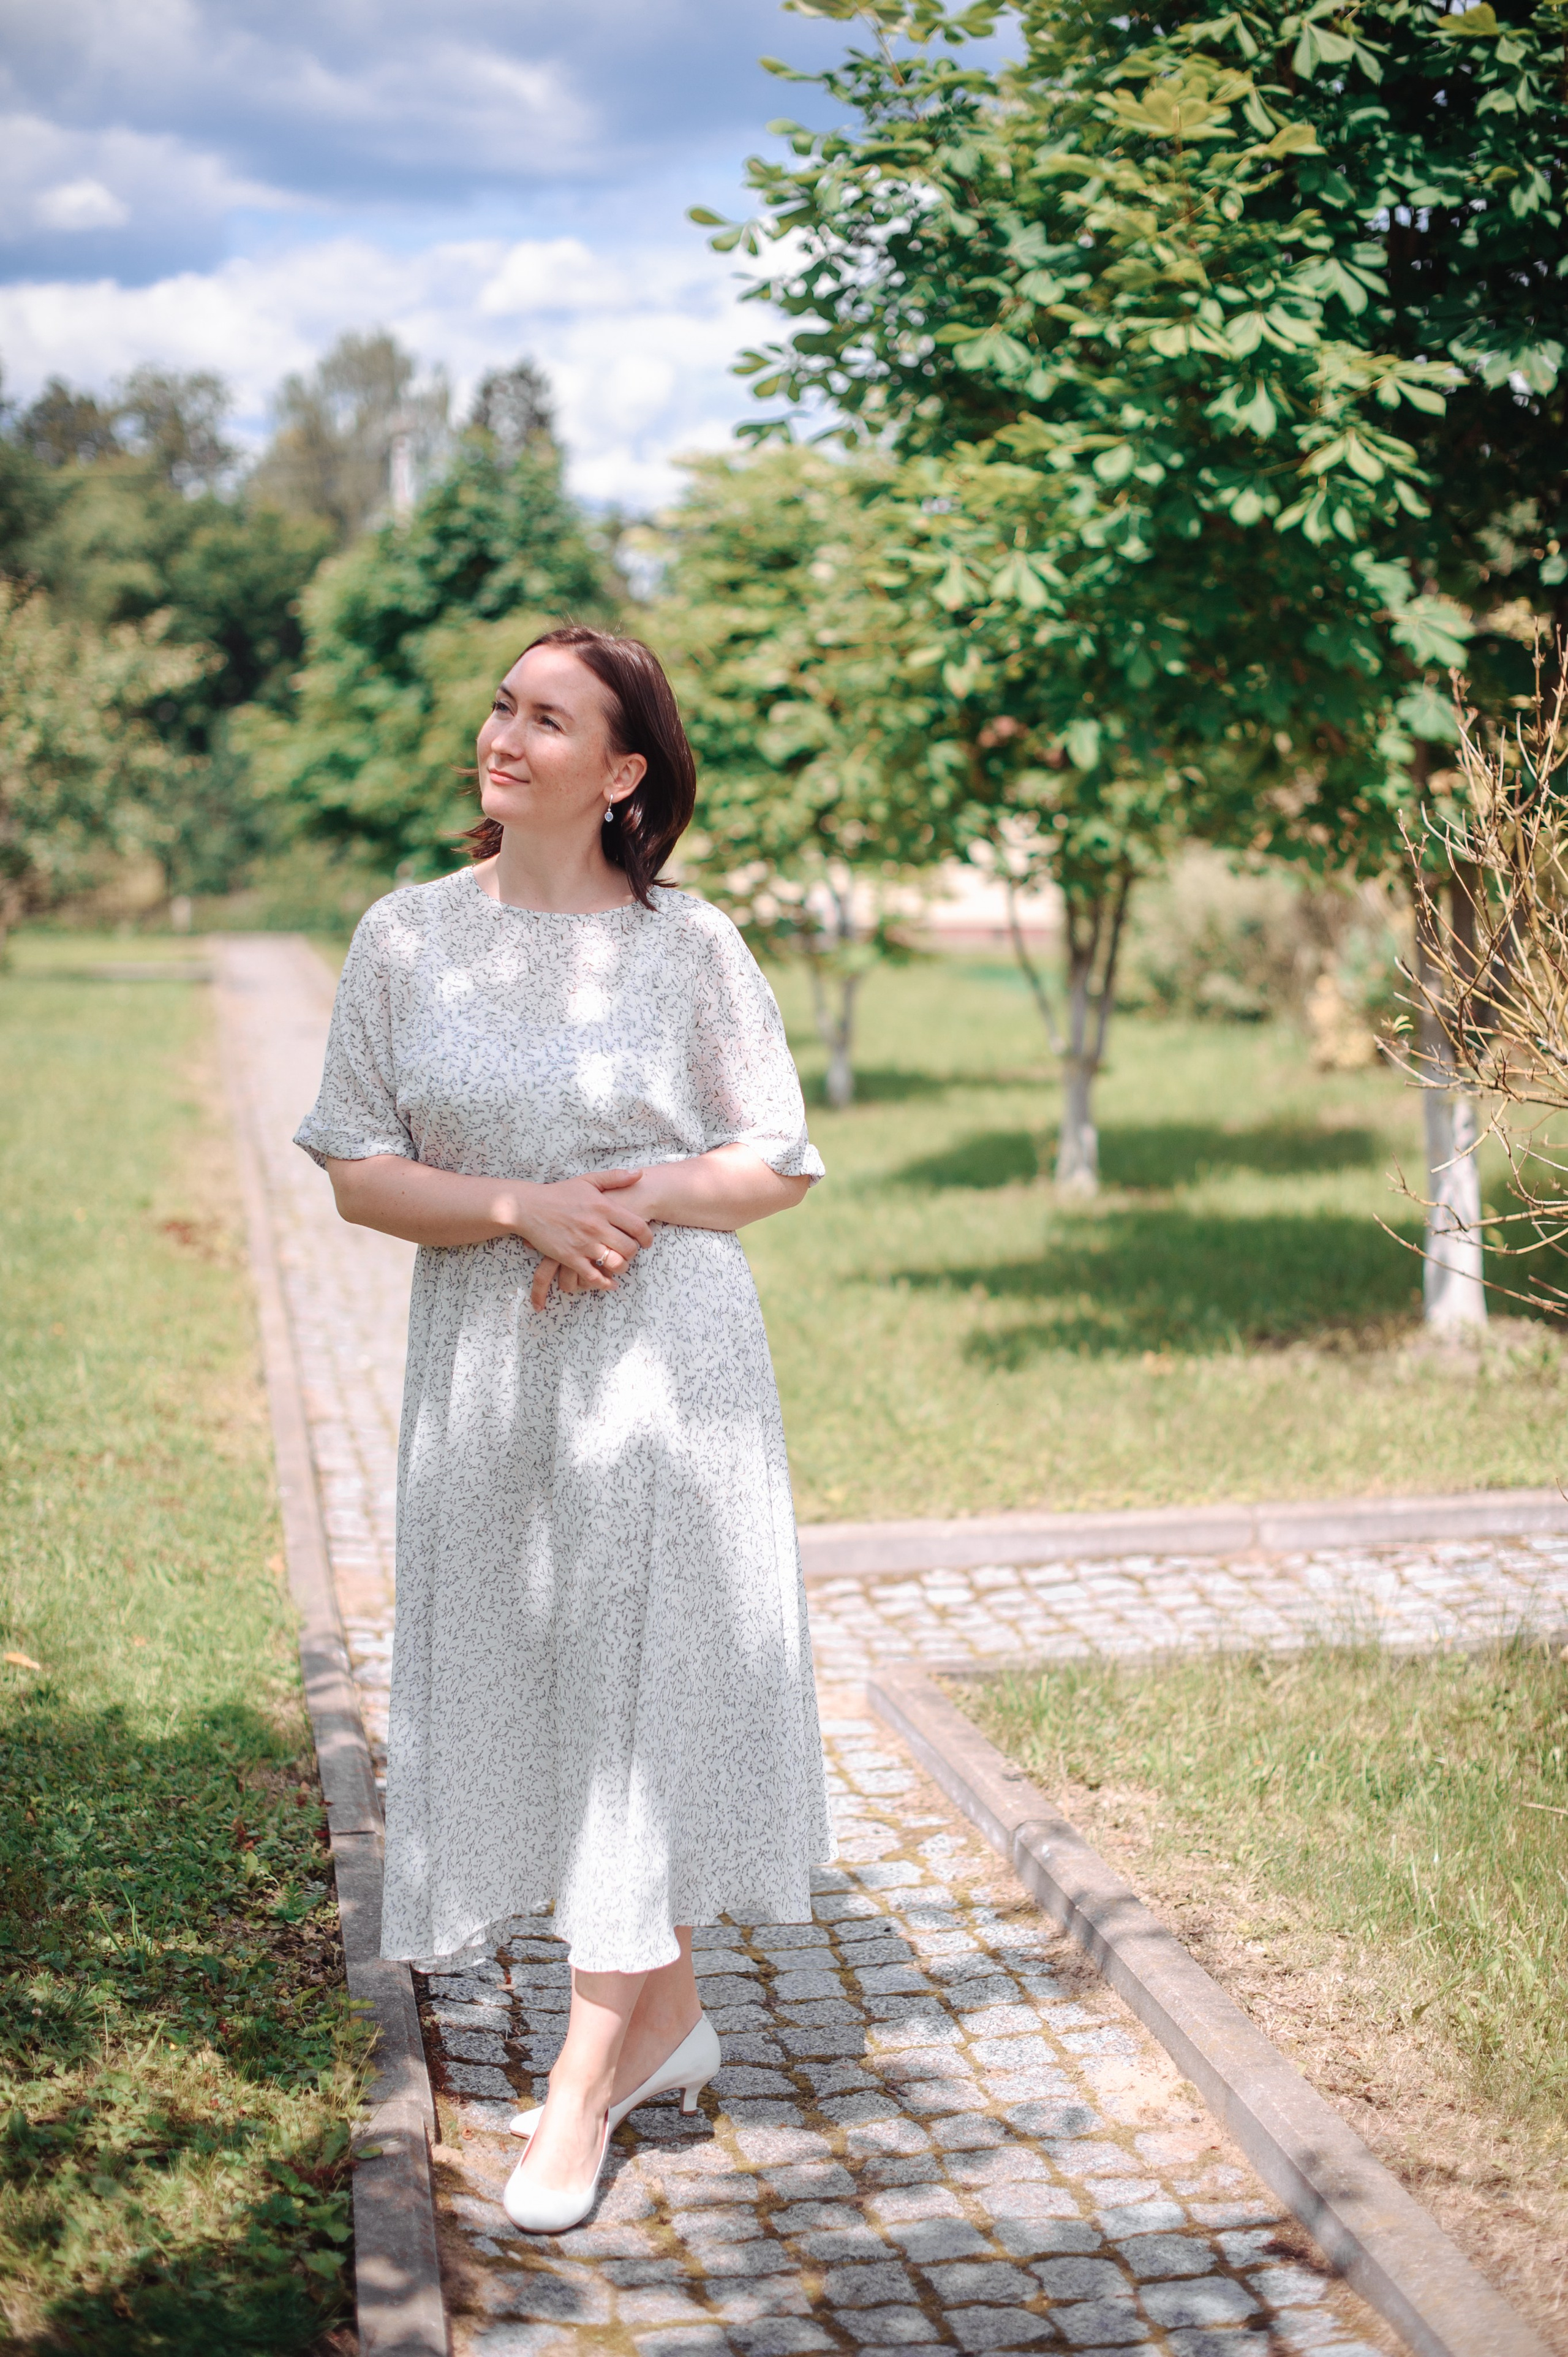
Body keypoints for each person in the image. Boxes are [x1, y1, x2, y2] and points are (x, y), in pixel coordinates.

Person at [294, 626, 831, 2233]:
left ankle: (583, 2090)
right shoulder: (404, 941)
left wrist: (636, 1196)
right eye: (502, 705)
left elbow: (777, 1161)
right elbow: (357, 1170)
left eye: (552, 718)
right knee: (538, 1688)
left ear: (621, 774)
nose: (507, 735)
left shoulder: (690, 949)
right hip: (485, 1370)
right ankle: (665, 2019)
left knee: (631, 1704)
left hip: (664, 1365)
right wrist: (521, 1209)